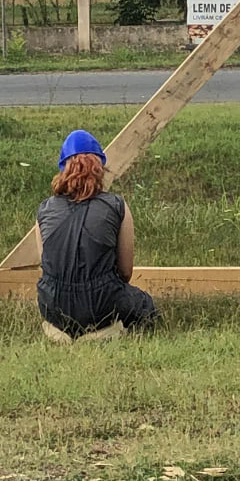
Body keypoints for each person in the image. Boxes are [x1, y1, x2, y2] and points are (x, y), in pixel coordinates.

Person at [31, 129, 159, 337]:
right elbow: (125, 272)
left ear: (63, 169)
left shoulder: (44, 209)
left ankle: (62, 332)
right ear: (100, 168)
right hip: (103, 306)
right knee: (145, 305)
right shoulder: (117, 206)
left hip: (53, 306)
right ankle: (106, 331)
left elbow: (46, 266)